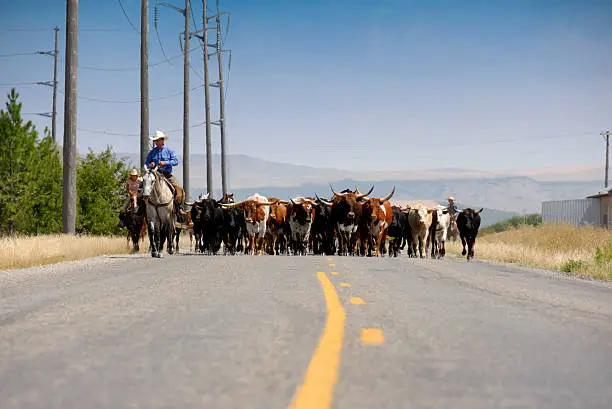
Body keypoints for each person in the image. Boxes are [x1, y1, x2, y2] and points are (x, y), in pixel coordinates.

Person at [145, 130, 186, 214]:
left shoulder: (169, 151)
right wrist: (151, 164)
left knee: (179, 189)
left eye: (158, 140)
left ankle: (178, 207)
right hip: (155, 174)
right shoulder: (152, 152)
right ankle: (142, 209)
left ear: (162, 140)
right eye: (155, 140)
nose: (156, 142)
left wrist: (166, 163)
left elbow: (175, 161)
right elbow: (146, 163)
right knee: (143, 187)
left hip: (167, 175)